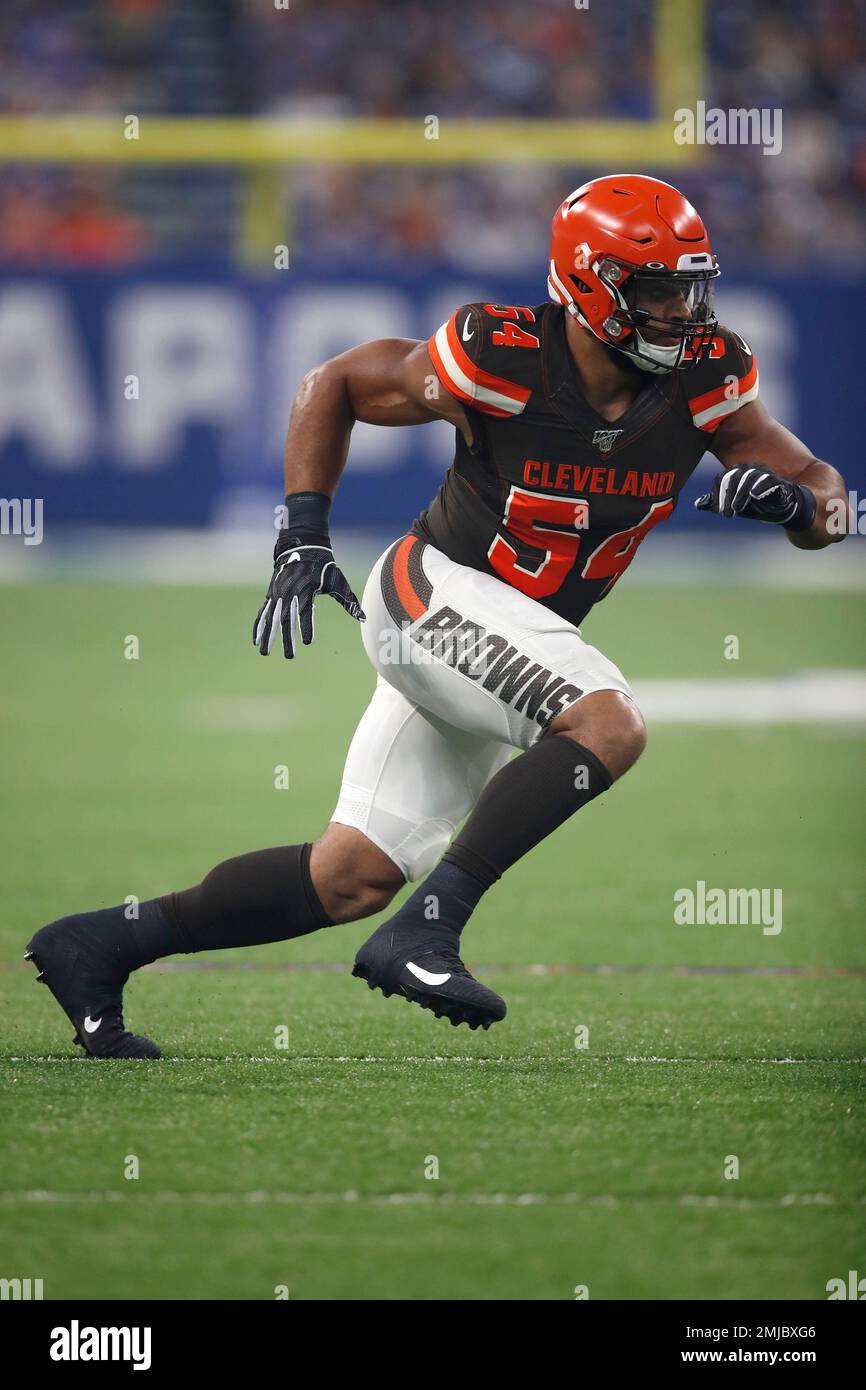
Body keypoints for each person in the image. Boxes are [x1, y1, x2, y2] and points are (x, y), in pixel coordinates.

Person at [26, 175, 847, 1057]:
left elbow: (830, 499)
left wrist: (799, 510)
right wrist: (303, 531)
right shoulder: (505, 354)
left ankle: (99, 943)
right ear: (587, 284)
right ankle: (429, 931)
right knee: (607, 722)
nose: (681, 313)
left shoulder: (705, 375)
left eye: (691, 288)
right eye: (656, 291)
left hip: (505, 634)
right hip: (431, 596)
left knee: (350, 876)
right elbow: (333, 383)